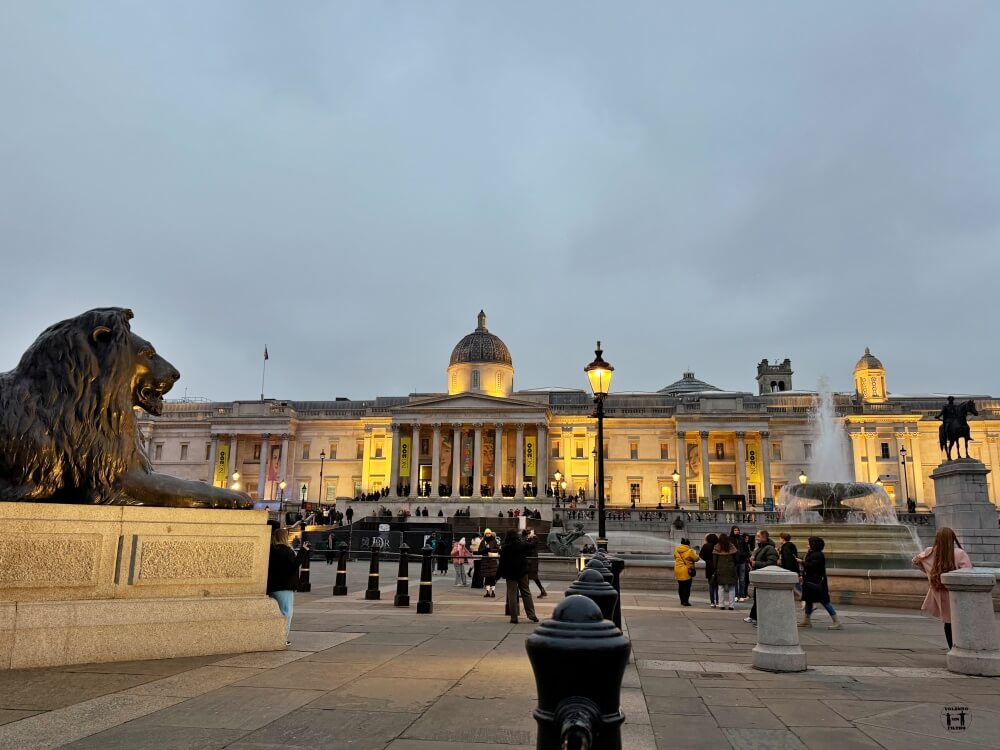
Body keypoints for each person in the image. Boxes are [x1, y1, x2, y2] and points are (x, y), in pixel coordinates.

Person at [912, 527, 973, 648]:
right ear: (952, 538)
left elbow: (915, 560)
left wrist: (928, 571)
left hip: (940, 593)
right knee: (961, 622)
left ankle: (952, 648)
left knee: (948, 622)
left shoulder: (930, 552)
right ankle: (963, 647)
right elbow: (969, 572)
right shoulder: (959, 553)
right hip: (957, 594)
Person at [266, 528, 301, 645]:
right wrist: (304, 552)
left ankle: (272, 635)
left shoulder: (270, 550)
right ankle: (282, 638)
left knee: (274, 613)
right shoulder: (286, 551)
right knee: (286, 612)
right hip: (284, 586)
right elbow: (294, 565)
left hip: (272, 586)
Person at [799, 536, 841, 629]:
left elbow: (813, 566)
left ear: (813, 545)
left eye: (809, 544)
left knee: (825, 601)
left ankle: (836, 621)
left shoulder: (818, 555)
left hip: (816, 582)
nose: (807, 545)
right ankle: (807, 620)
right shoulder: (812, 553)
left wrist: (802, 562)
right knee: (808, 600)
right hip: (810, 581)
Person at [499, 530, 539, 624]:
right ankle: (532, 615)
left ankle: (514, 617)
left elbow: (502, 562)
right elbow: (532, 545)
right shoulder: (521, 544)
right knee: (526, 593)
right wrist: (535, 537)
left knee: (512, 595)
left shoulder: (505, 548)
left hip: (510, 574)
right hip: (522, 572)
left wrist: (499, 574)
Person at [744, 529, 778, 625]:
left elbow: (772, 563)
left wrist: (756, 563)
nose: (756, 538)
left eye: (758, 536)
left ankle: (761, 619)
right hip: (760, 577)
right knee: (757, 598)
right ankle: (754, 617)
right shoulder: (760, 548)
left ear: (764, 538)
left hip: (765, 578)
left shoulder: (769, 548)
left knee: (762, 599)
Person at [713, 532, 739, 610]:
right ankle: (731, 605)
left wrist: (715, 569)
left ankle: (721, 604)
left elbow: (714, 561)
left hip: (720, 569)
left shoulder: (717, 547)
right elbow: (736, 559)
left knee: (720, 587)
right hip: (731, 569)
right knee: (732, 587)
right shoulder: (732, 547)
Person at [673, 537, 700, 607]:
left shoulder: (677, 549)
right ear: (688, 543)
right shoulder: (690, 551)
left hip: (678, 569)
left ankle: (682, 601)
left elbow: (675, 557)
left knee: (681, 586)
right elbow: (696, 558)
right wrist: (696, 553)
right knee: (687, 587)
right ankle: (686, 601)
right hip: (686, 570)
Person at [524, 529, 547, 597]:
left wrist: (528, 539)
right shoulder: (529, 539)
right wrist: (527, 539)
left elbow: (530, 545)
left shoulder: (535, 539)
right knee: (528, 576)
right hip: (529, 560)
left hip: (533, 560)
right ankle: (527, 591)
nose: (528, 534)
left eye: (530, 533)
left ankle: (541, 590)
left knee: (533, 576)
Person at [478, 529, 501, 598]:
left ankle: (493, 592)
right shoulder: (483, 541)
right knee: (487, 578)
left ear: (491, 534)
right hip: (485, 561)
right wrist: (485, 550)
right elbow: (479, 551)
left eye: (489, 533)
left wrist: (490, 550)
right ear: (485, 534)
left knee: (492, 578)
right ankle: (487, 592)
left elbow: (498, 549)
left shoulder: (494, 541)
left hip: (492, 561)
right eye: (487, 533)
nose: (488, 535)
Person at [778, 532, 801, 597]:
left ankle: (805, 599)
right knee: (796, 585)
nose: (779, 540)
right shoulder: (791, 546)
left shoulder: (785, 547)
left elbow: (788, 559)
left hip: (789, 570)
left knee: (795, 587)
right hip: (794, 570)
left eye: (780, 538)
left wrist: (787, 571)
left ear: (783, 539)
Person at [699, 533, 719, 607]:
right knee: (717, 585)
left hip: (709, 566)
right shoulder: (718, 546)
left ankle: (712, 602)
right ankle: (717, 601)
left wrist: (707, 560)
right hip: (717, 566)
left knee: (711, 585)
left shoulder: (706, 546)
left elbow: (700, 555)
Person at [731, 526, 750, 602]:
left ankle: (742, 595)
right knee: (735, 580)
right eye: (735, 530)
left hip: (742, 562)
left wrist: (743, 554)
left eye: (738, 530)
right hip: (734, 562)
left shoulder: (742, 539)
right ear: (733, 531)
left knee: (742, 579)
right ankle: (736, 595)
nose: (737, 531)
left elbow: (747, 550)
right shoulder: (730, 539)